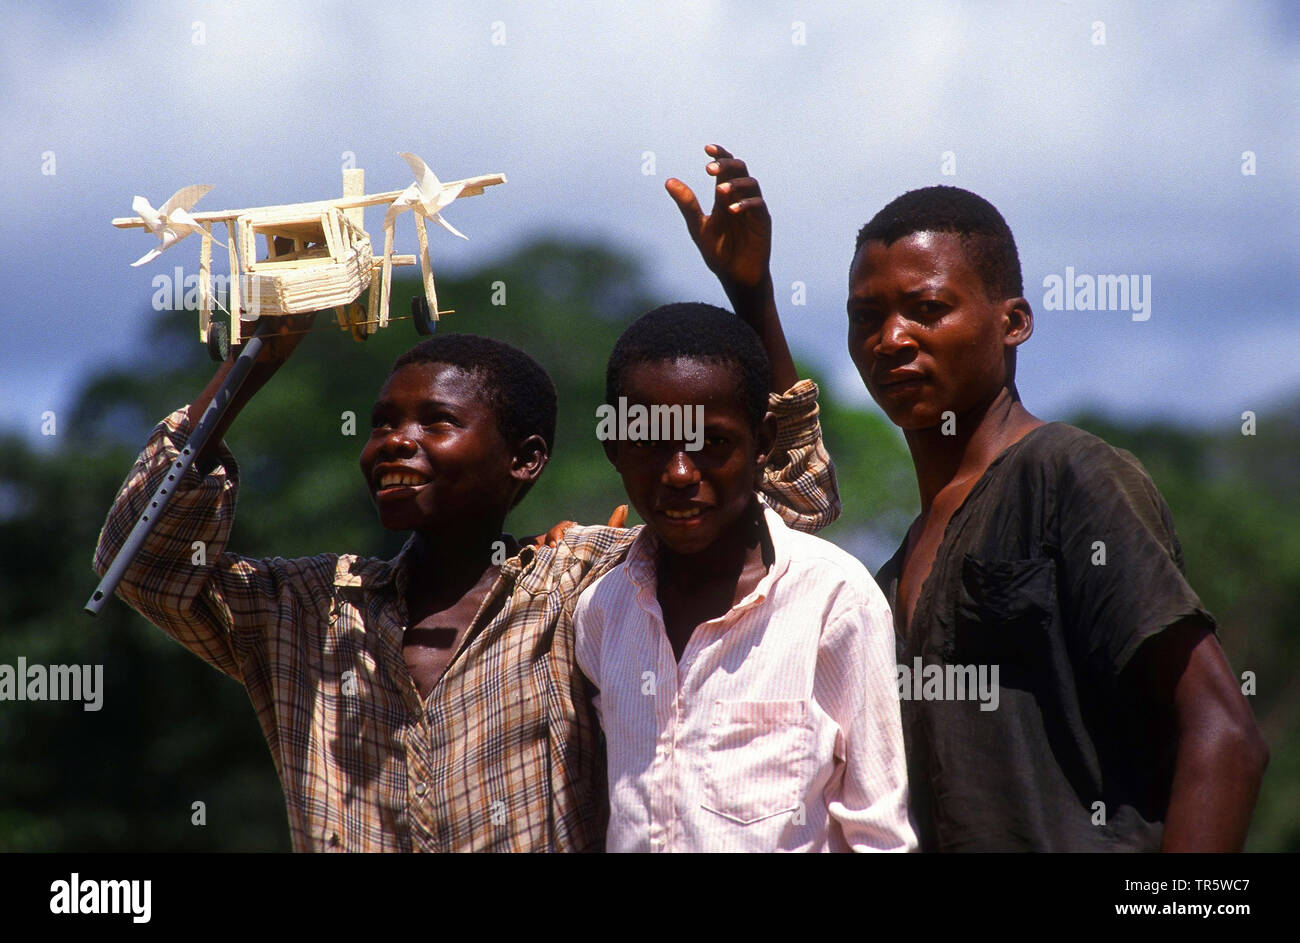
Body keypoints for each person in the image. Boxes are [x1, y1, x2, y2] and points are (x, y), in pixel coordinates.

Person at [92, 146, 841, 852]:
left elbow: (793, 506)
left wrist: (752, 293)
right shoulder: (308, 613)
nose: (394, 441)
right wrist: (248, 366)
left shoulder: (588, 584)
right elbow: (143, 565)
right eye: (383, 423)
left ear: (526, 460)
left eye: (436, 422)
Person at [845, 185, 1268, 851]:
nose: (891, 338)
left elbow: (1225, 733)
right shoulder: (892, 566)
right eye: (866, 316)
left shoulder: (1068, 475)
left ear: (1013, 322)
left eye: (927, 309)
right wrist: (752, 295)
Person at [574, 303, 915, 852]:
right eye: (650, 443)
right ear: (614, 449)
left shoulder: (834, 601)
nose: (680, 473)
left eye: (712, 443)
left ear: (763, 443)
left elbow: (877, 835)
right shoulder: (601, 613)